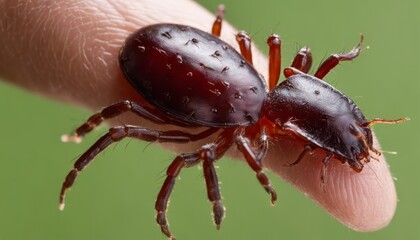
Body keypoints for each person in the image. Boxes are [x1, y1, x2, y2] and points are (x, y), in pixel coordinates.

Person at [0, 0, 396, 232]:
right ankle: (82, 159)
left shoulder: (269, 100)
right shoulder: (253, 116)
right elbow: (209, 152)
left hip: (186, 52)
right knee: (127, 122)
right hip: (156, 57)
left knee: (134, 125)